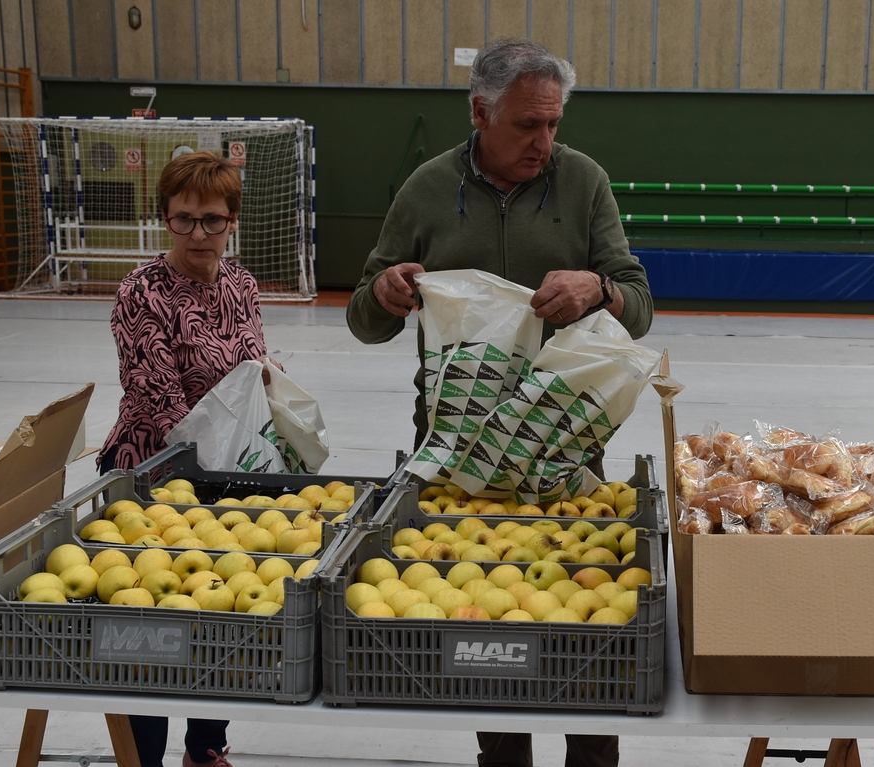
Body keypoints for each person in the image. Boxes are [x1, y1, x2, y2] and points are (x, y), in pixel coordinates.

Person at [346, 38, 652, 767]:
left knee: (587, 649)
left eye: (554, 124)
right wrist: (387, 294)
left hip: (562, 461)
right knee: (488, 652)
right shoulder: (425, 189)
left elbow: (637, 305)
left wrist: (597, 289)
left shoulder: (584, 183)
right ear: (479, 112)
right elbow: (363, 318)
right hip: (457, 466)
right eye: (527, 125)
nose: (544, 142)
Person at [99, 151, 279, 767]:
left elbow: (254, 367)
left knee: (221, 615)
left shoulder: (241, 284)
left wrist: (275, 385)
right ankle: (143, 756)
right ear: (164, 220)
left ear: (232, 219)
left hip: (229, 475)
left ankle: (206, 746)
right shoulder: (141, 292)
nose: (198, 234)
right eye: (183, 219)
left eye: (212, 219)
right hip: (152, 476)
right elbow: (161, 404)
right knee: (146, 627)